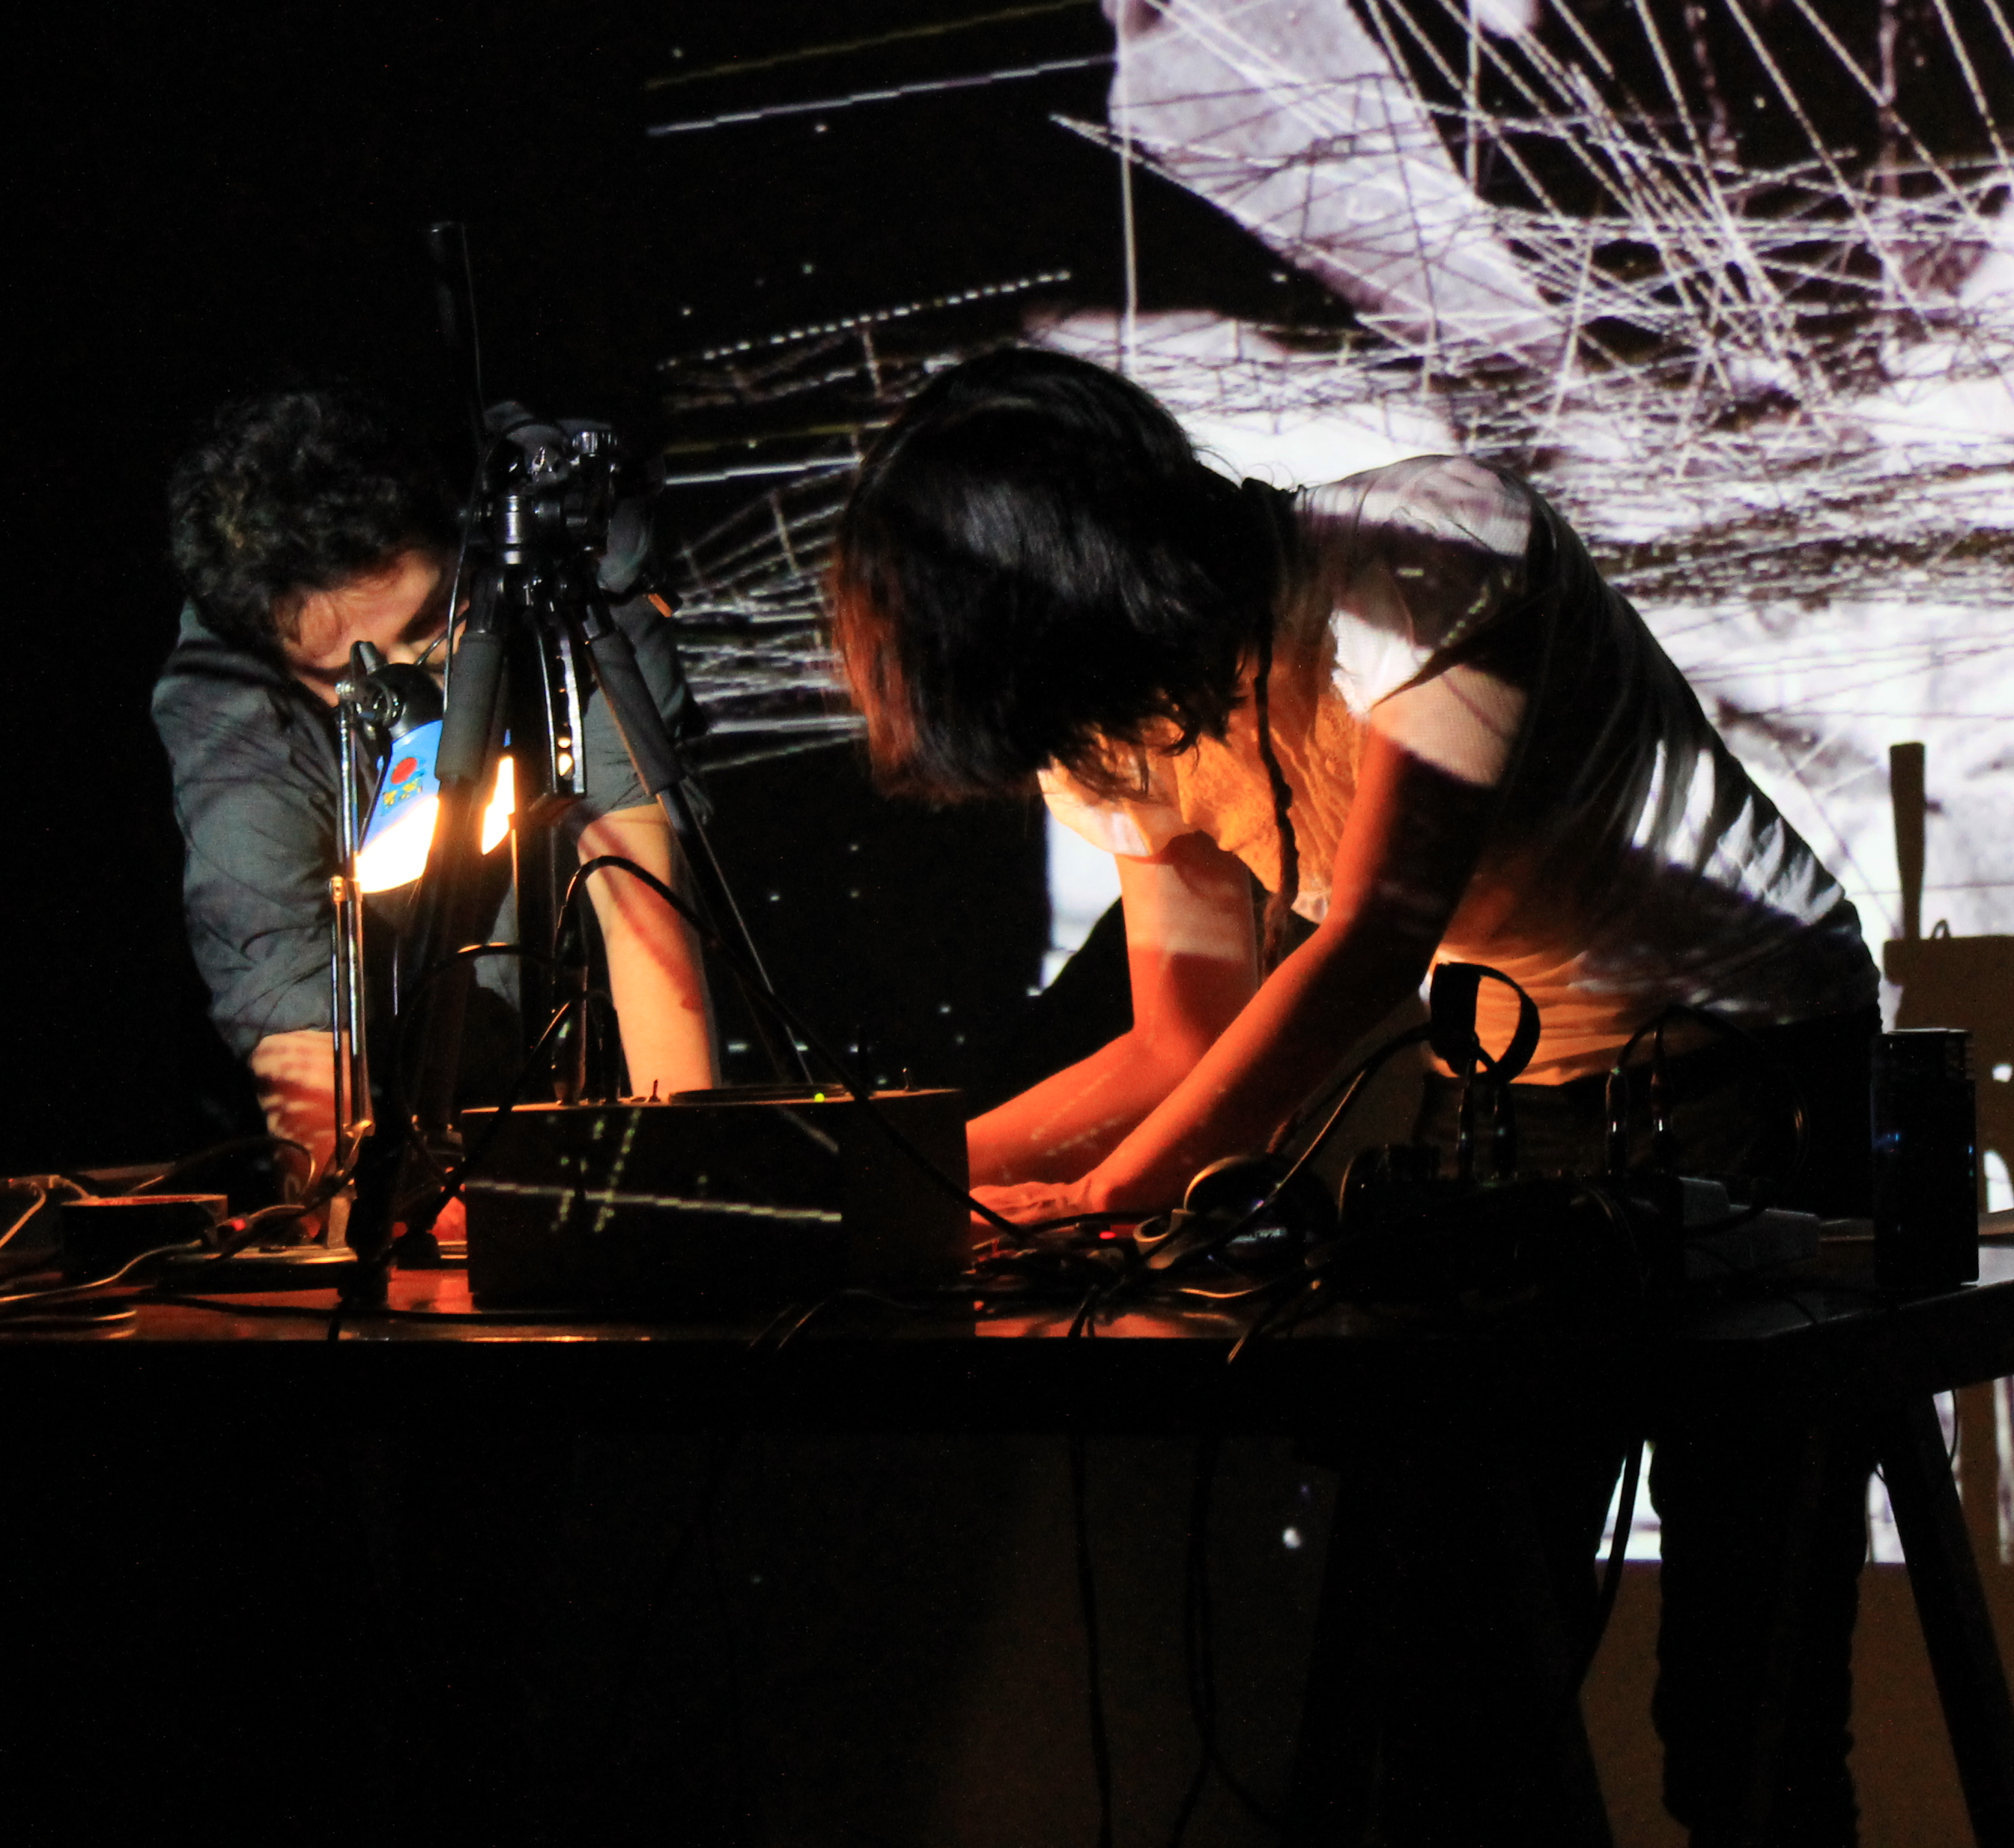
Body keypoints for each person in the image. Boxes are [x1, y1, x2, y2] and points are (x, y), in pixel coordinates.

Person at [831, 347, 1881, 1844]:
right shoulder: (1122, 728)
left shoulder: (1424, 555)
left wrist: (1109, 1191)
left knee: (1744, 1718)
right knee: (1454, 1688)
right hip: (1512, 1107)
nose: (1071, 759)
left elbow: (1378, 931)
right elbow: (1178, 1042)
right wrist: (892, 1180)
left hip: (1756, 1070)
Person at [154, 389, 715, 1193]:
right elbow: (291, 1003)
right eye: (360, 673)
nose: (414, 681)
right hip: (404, 1079)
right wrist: (362, 1215)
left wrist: (691, 1180)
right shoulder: (229, 700)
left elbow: (638, 886)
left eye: (430, 628)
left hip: (576, 1044)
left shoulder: (562, 549)